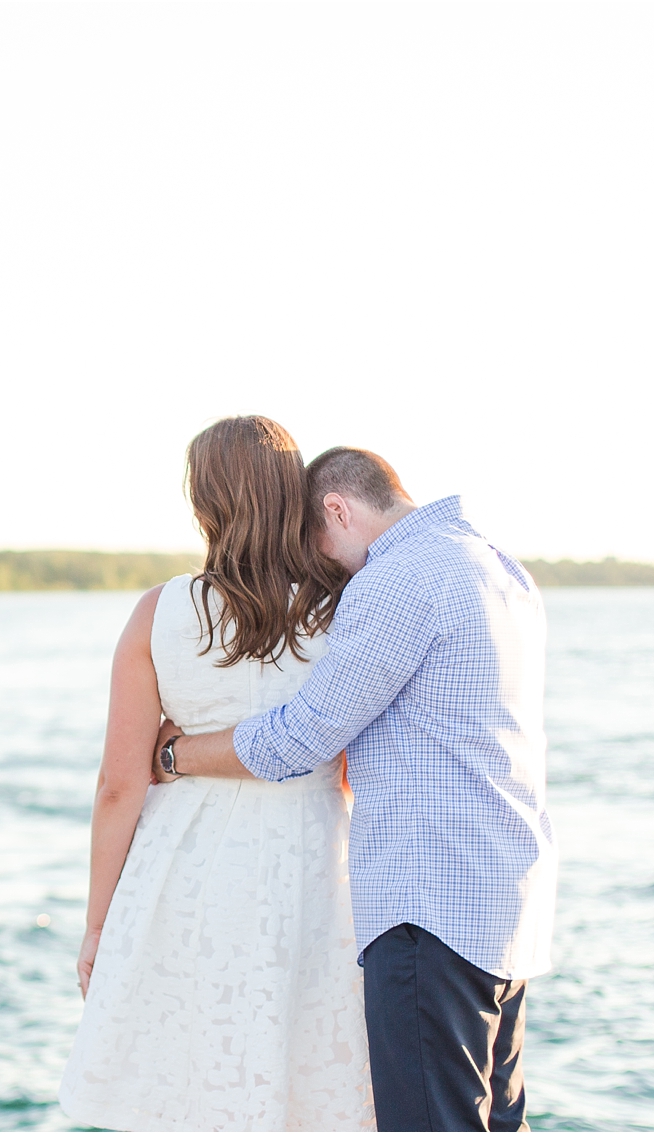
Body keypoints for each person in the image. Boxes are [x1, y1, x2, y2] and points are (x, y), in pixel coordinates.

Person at [154, 446, 557, 1132]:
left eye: (325, 551)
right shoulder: (499, 568)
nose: (335, 573)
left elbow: (300, 739)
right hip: (505, 896)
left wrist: (174, 754)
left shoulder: (400, 578)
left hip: (429, 902)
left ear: (337, 510)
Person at [58, 416, 376, 1132]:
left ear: (204, 502)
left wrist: (97, 925)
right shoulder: (343, 608)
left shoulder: (159, 613)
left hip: (186, 876)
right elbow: (357, 762)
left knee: (194, 1089)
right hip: (315, 874)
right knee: (307, 1090)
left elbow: (118, 785)